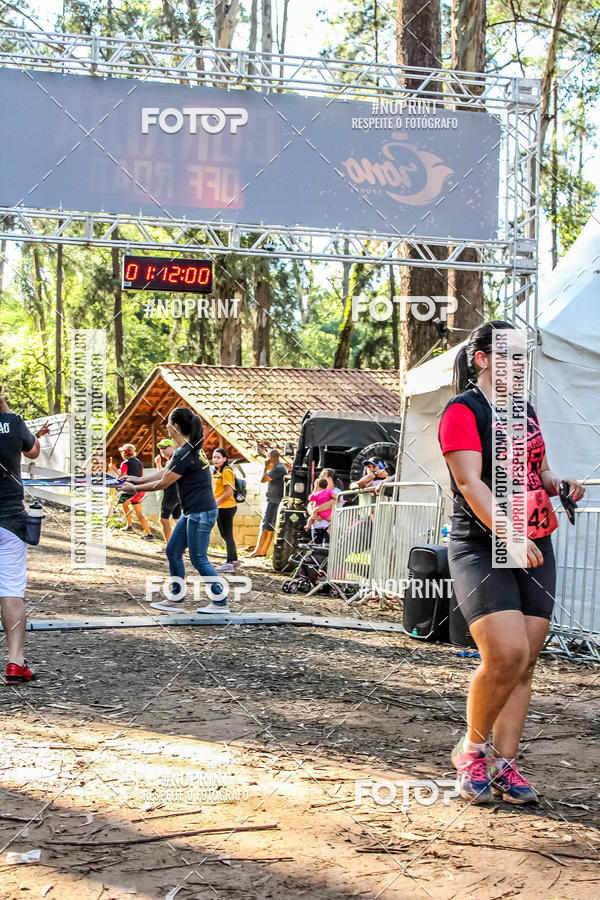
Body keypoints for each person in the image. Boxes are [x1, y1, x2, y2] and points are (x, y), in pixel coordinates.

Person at [438, 320, 585, 805]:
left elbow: (536, 470)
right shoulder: (462, 410)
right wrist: (510, 534)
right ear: (481, 359)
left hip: (535, 540)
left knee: (525, 662)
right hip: (483, 545)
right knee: (504, 654)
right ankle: (472, 751)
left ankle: (504, 764)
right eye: (508, 356)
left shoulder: (526, 410)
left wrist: (558, 485)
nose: (519, 366)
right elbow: (470, 484)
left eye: (523, 357)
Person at [121, 408, 227, 613]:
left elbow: (164, 482)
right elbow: (167, 471)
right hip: (192, 512)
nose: (166, 428)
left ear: (176, 427)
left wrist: (134, 488)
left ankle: (220, 602)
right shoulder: (189, 449)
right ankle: (176, 600)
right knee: (173, 551)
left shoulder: (185, 452)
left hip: (201, 512)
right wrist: (137, 479)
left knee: (198, 558)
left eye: (168, 424)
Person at [0, 385, 42, 684]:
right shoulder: (13, 422)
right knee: (11, 591)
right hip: (10, 520)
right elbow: (34, 451)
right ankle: (15, 664)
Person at [109, 444, 153, 540]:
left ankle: (136, 529)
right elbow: (141, 476)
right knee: (129, 507)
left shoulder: (124, 464)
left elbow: (121, 478)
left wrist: (114, 469)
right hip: (140, 489)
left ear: (124, 454)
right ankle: (138, 530)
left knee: (131, 509)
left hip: (132, 490)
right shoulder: (139, 462)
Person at [249, 448, 288, 558]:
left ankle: (258, 551)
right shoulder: (281, 467)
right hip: (275, 500)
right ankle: (262, 551)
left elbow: (263, 479)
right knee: (269, 527)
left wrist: (265, 466)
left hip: (273, 500)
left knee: (265, 526)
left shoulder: (278, 468)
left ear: (271, 457)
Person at [212, 447, 240, 573]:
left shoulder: (226, 471)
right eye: (214, 457)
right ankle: (234, 560)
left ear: (225, 459)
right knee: (226, 534)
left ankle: (229, 563)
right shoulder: (216, 471)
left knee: (226, 535)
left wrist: (215, 503)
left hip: (226, 507)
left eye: (218, 457)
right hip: (220, 506)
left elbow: (229, 492)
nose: (215, 460)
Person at [155, 439, 180, 543]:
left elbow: (163, 477)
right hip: (178, 494)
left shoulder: (173, 459)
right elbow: (163, 474)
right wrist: (158, 464)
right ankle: (180, 546)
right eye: (161, 449)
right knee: (177, 521)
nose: (162, 451)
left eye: (165, 447)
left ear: (172, 447)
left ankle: (169, 546)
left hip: (171, 493)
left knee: (164, 520)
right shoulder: (172, 459)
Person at [304, 477, 334, 544]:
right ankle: (308, 525)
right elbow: (310, 505)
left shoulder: (327, 493)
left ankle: (308, 525)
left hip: (324, 525)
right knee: (317, 546)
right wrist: (314, 514)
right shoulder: (328, 493)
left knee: (324, 546)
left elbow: (310, 499)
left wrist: (316, 510)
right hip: (316, 525)